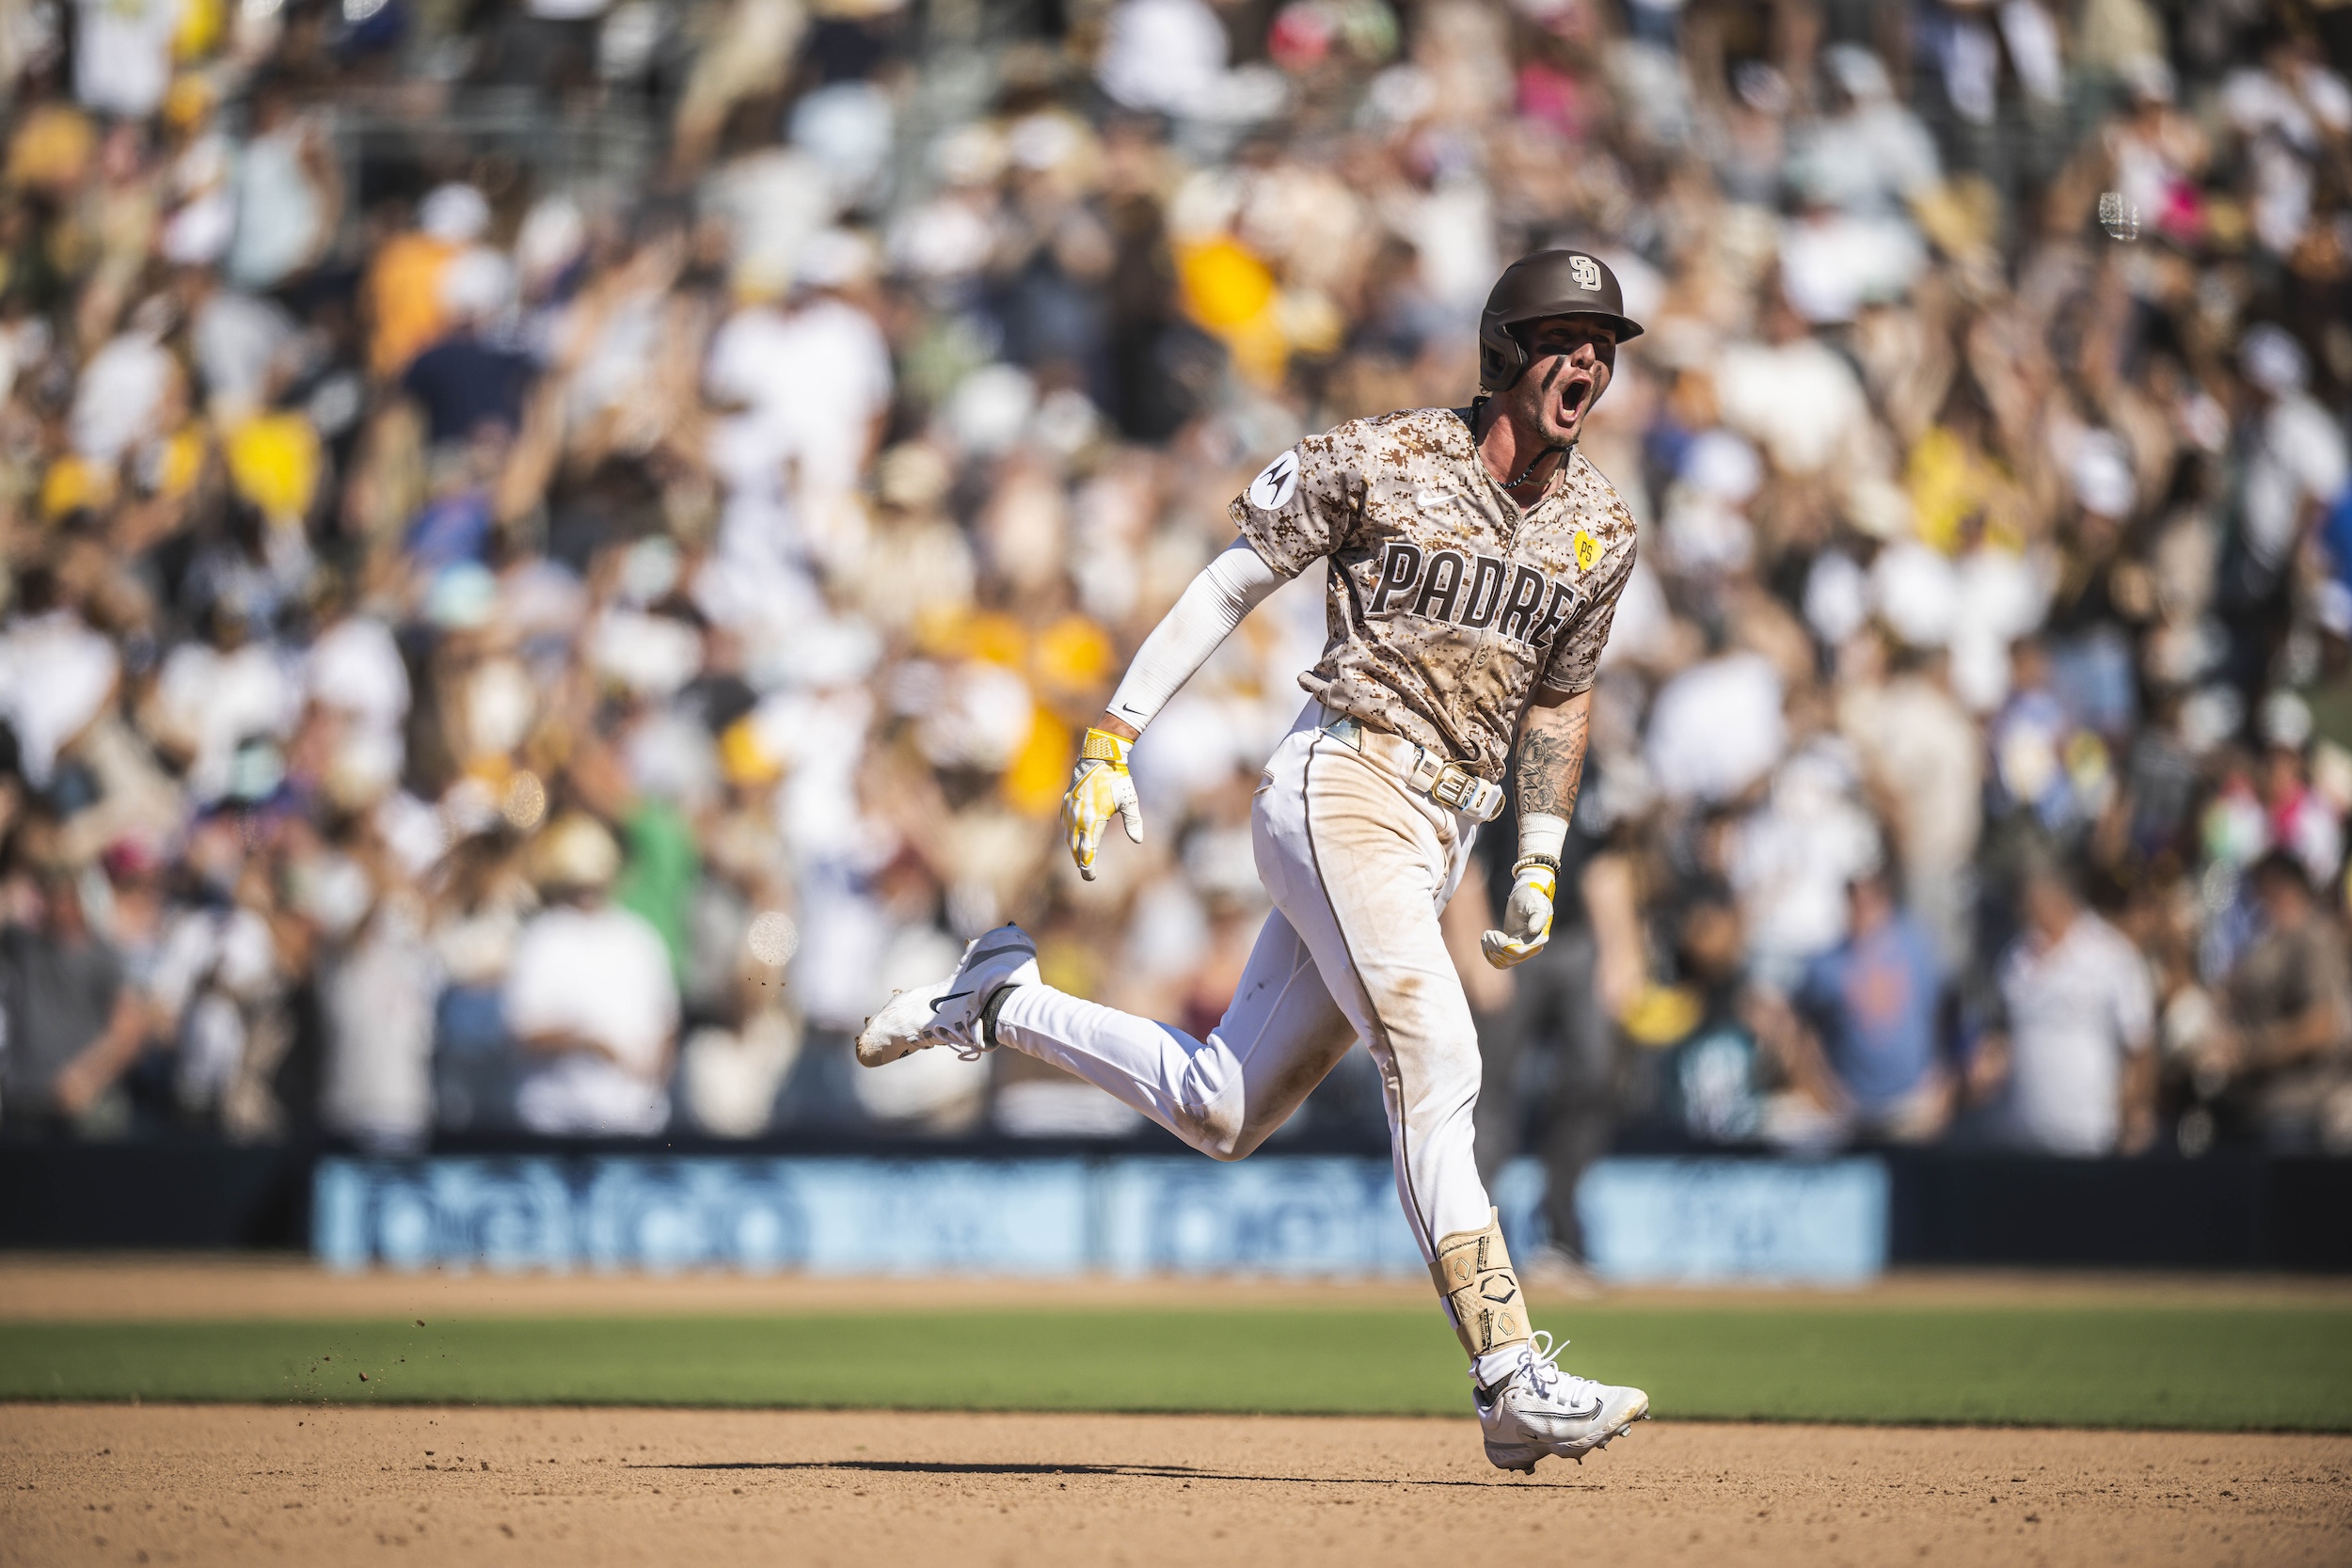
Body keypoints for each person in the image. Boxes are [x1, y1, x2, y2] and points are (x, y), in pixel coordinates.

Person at [856, 251, 1651, 1471]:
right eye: (1563, 334)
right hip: (1344, 779)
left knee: (1225, 1105)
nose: (1588, 359)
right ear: (1504, 348)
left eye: (1603, 341)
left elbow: (1559, 699)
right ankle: (1508, 1369)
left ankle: (997, 1001)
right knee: (1440, 1054)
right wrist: (1115, 728)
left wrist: (1539, 850)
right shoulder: (1383, 456)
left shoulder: (1600, 525)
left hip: (1443, 830)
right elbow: (1233, 583)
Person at [502, 813, 679, 1137]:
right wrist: (589, 1043)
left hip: (633, 1125)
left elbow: (667, 1021)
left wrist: (653, 1080)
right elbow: (524, 1030)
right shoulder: (543, 938)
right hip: (555, 1125)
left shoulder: (639, 938)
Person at [1973, 860, 2155, 1157]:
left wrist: (2131, 1113)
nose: (2024, 913)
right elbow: (2002, 1038)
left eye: (2032, 903)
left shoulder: (2111, 956)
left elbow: (2140, 1047)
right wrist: (1990, 1061)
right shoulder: (2013, 961)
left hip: (2089, 1140)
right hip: (2022, 1140)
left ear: (2058, 899)